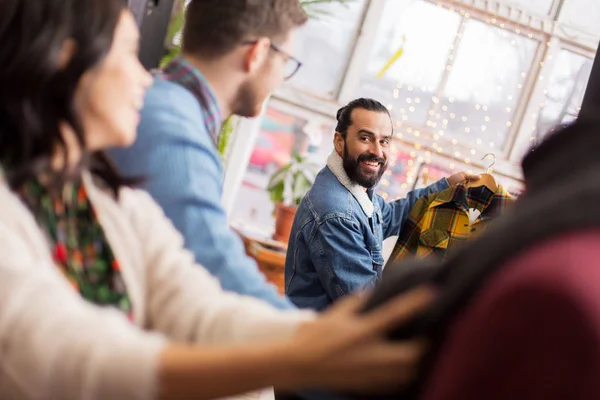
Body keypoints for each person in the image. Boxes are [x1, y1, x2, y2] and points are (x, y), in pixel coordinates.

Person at [0, 1, 438, 398]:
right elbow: (74, 358)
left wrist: (314, 340)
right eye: (127, 53)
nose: (145, 77)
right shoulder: (14, 213)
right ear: (65, 58)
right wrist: (300, 354)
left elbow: (195, 302)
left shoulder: (106, 197)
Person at [108, 0, 306, 309]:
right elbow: (218, 275)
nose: (281, 78)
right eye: (285, 61)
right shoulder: (174, 131)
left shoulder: (164, 103)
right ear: (257, 53)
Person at [285, 98, 480, 311]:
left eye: (384, 141)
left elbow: (390, 217)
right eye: (365, 138)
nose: (377, 151)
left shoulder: (354, 190)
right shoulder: (337, 213)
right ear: (339, 142)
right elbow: (366, 304)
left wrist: (447, 185)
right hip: (324, 341)